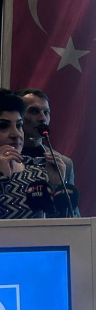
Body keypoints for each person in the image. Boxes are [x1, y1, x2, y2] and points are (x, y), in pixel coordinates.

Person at [0, 90, 65, 219]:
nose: (16, 134)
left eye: (19, 125)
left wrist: (57, 187)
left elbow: (66, 227)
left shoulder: (38, 172)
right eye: (3, 126)